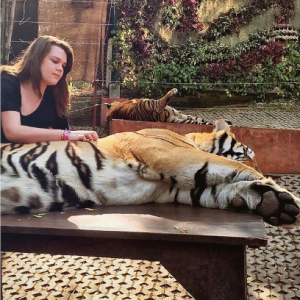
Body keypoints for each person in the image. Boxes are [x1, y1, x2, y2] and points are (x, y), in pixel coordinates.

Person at [1, 35, 98, 143]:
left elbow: (61, 133)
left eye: (63, 66)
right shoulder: (8, 80)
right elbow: (12, 131)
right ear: (36, 59)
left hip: (30, 157)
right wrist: (66, 135)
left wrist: (80, 134)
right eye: (55, 61)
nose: (60, 69)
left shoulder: (55, 94)